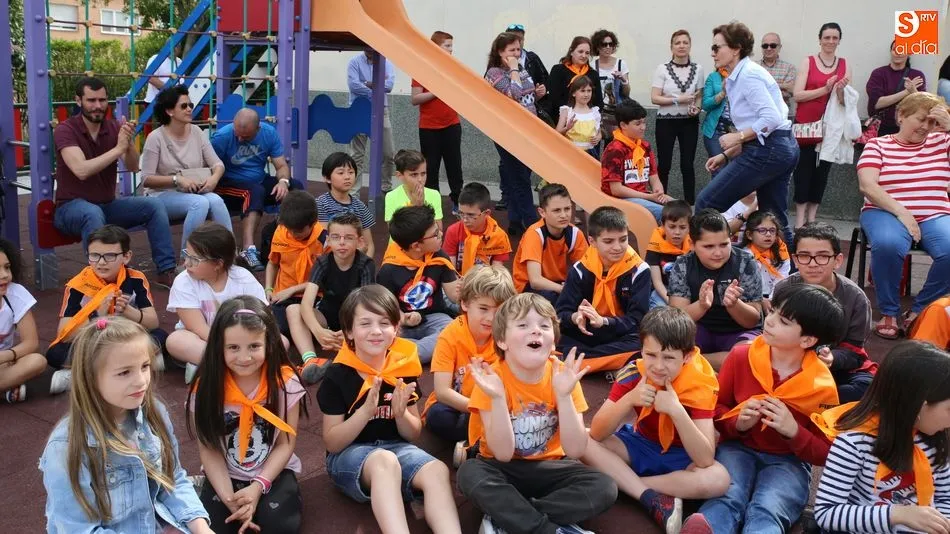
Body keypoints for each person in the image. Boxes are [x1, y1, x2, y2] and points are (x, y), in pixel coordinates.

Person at [680, 284, 845, 534]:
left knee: (769, 505)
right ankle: (709, 527)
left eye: (784, 321)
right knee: (727, 494)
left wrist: (793, 431)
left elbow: (826, 451)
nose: (770, 321)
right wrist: (738, 422)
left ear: (808, 340)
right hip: (737, 448)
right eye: (774, 311)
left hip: (789, 460)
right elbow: (712, 410)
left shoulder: (820, 385)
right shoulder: (741, 356)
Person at [457, 293, 618, 534]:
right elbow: (501, 454)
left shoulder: (563, 375)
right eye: (523, 325)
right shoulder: (493, 380)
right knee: (469, 473)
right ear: (501, 341)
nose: (536, 331)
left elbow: (575, 450)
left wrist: (564, 396)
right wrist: (498, 399)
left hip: (550, 468)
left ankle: (508, 521)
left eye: (544, 326)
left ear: (553, 342)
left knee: (604, 487)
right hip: (503, 468)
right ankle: (550, 530)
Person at [39, 317, 211, 534]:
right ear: (90, 377)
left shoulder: (154, 413)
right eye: (124, 372)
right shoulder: (66, 445)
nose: (141, 380)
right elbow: (76, 528)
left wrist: (201, 528)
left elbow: (173, 480)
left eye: (145, 366)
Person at [316, 285, 462, 534]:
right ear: (349, 331)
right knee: (385, 463)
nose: (376, 331)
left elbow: (413, 434)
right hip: (349, 455)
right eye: (365, 324)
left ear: (396, 328)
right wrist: (364, 413)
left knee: (437, 469)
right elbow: (332, 443)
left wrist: (401, 412)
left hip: (396, 448)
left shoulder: (403, 366)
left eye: (384, 323)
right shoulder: (337, 374)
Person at [582, 307, 730, 534]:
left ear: (688, 356)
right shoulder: (634, 372)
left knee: (718, 479)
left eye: (669, 357)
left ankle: (626, 483)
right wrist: (630, 399)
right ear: (641, 350)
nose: (658, 366)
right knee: (581, 439)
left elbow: (704, 458)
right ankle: (651, 497)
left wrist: (677, 411)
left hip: (681, 456)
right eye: (650, 355)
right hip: (640, 443)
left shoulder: (700, 383)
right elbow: (598, 433)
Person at [187, 297, 307, 534]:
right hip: (224, 474)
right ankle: (209, 488)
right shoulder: (206, 388)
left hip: (271, 473)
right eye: (233, 347)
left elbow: (285, 444)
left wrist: (256, 488)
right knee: (214, 527)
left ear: (270, 344)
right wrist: (229, 498)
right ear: (218, 347)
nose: (244, 357)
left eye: (254, 346)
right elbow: (209, 447)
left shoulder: (284, 384)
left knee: (279, 527)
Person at [813, 341, 950, 534]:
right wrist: (899, 514)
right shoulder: (855, 442)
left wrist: (943, 525)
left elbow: (945, 497)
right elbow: (827, 513)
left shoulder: (935, 439)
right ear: (919, 405)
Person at [53, 77, 176, 284]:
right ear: (78, 100)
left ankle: (166, 270)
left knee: (153, 205)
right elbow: (81, 170)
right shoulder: (66, 129)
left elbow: (133, 166)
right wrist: (117, 149)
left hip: (106, 206)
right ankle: (101, 279)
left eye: (102, 100)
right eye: (91, 100)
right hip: (70, 208)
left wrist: (127, 144)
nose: (98, 106)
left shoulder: (112, 127)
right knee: (92, 213)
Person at [857, 92, 950, 339]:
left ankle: (920, 310)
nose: (926, 127)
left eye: (932, 122)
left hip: (934, 213)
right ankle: (889, 312)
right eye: (921, 119)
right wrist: (903, 213)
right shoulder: (878, 144)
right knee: (888, 244)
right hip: (884, 211)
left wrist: (949, 127)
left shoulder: (943, 142)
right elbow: (868, 185)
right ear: (901, 115)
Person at [697, 22, 798, 247]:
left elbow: (771, 118)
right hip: (779, 146)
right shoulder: (739, 75)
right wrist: (726, 155)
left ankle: (712, 261)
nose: (712, 53)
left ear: (736, 49)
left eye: (717, 48)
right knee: (775, 217)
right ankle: (793, 274)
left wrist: (738, 137)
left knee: (706, 203)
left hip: (770, 148)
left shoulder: (748, 75)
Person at [47, 225, 167, 395]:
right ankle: (140, 364)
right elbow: (64, 333)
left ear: (126, 257)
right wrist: (97, 315)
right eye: (95, 256)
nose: (101, 262)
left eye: (110, 256)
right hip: (93, 342)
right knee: (55, 353)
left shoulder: (136, 279)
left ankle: (80, 377)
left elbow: (153, 322)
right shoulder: (78, 285)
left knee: (160, 337)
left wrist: (128, 312)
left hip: (125, 338)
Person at [776, 222, 874, 403]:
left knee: (868, 388)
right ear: (795, 259)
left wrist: (832, 358)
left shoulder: (855, 298)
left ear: (837, 260)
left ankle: (809, 400)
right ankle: (812, 400)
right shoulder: (784, 289)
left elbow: (854, 351)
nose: (813, 264)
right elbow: (772, 336)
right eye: (804, 256)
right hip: (790, 364)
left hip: (835, 367)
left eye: (822, 256)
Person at [422, 265, 515, 454]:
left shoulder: (507, 335)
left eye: (499, 310)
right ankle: (480, 444)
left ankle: (473, 447)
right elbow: (442, 392)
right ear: (464, 304)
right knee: (438, 416)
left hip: (497, 406)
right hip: (461, 408)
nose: (491, 317)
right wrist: (481, 409)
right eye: (483, 308)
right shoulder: (450, 336)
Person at [166, 223, 267, 383]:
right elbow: (198, 328)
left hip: (242, 339)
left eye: (194, 259)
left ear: (218, 264)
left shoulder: (243, 277)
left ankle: (212, 366)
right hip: (202, 339)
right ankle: (237, 366)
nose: (186, 264)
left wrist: (239, 344)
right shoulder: (183, 281)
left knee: (281, 341)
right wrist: (230, 347)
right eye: (187, 256)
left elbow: (262, 318)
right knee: (175, 341)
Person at [556, 206, 651, 373]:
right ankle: (600, 362)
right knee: (550, 332)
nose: (618, 247)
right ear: (592, 241)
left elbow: (637, 320)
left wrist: (604, 322)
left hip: (620, 334)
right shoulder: (581, 269)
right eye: (608, 241)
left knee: (644, 343)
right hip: (586, 332)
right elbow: (561, 314)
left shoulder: (639, 270)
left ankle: (571, 362)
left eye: (623, 239)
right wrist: (576, 317)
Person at [668, 209, 762, 370]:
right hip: (700, 329)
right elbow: (677, 318)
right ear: (691, 245)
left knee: (748, 354)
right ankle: (703, 363)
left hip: (738, 332)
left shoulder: (745, 262)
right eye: (709, 246)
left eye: (724, 244)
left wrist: (734, 304)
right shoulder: (683, 264)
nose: (718, 253)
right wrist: (702, 305)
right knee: (667, 345)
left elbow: (752, 320)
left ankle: (692, 361)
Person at [140, 86, 232, 250]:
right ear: (169, 111)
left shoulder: (196, 132)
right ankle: (187, 259)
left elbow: (217, 164)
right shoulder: (156, 138)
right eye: (184, 106)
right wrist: (177, 180)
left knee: (216, 201)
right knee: (199, 204)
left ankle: (230, 254)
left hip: (192, 191)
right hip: (162, 195)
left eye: (190, 105)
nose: (189, 109)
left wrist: (213, 179)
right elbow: (146, 179)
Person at [211, 108, 302, 271]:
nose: (239, 138)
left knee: (296, 188)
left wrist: (283, 182)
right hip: (227, 186)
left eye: (245, 137)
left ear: (258, 129)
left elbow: (281, 165)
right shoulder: (222, 137)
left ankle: (292, 240)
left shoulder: (268, 133)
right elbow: (210, 166)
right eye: (237, 133)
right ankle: (248, 250)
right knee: (255, 191)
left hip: (258, 181)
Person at [298, 213, 376, 384]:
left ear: (359, 241)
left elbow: (366, 306)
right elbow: (306, 304)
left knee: (370, 320)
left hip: (353, 320)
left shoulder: (365, 264)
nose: (341, 242)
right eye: (335, 237)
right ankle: (310, 359)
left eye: (348, 238)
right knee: (293, 310)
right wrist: (318, 332)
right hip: (327, 317)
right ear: (328, 240)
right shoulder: (323, 262)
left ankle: (351, 354)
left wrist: (351, 331)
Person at [377, 205, 460, 364]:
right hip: (400, 322)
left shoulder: (439, 257)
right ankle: (426, 351)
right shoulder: (389, 269)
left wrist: (468, 287)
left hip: (433, 316)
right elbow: (387, 309)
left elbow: (454, 295)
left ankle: (402, 354)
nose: (441, 234)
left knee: (451, 329)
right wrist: (404, 318)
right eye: (435, 234)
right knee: (382, 334)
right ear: (416, 246)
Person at [791, 23, 853, 229]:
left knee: (822, 174)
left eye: (835, 38)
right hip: (806, 125)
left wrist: (841, 91)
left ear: (839, 41)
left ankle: (812, 219)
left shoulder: (845, 65)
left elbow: (846, 103)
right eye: (827, 37)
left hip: (831, 129)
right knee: (803, 172)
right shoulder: (808, 62)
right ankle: (799, 222)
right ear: (820, 39)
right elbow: (797, 95)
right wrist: (824, 89)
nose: (830, 42)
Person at [485, 32, 542, 236]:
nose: (516, 54)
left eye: (518, 49)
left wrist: (536, 91)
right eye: (512, 50)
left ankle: (516, 221)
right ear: (500, 52)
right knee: (519, 177)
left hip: (527, 130)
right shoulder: (493, 73)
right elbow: (515, 94)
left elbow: (529, 93)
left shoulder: (522, 69)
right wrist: (515, 70)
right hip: (508, 132)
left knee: (520, 174)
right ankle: (531, 221)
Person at [264, 190, 326, 345]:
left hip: (314, 295)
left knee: (301, 325)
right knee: (276, 327)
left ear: (313, 223)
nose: (293, 234)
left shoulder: (324, 239)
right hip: (283, 296)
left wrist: (292, 290)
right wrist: (268, 289)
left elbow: (326, 279)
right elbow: (273, 263)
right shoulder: (281, 232)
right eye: (289, 229)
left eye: (298, 231)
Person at [412, 31, 464, 211]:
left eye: (451, 46)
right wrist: (436, 91)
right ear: (435, 47)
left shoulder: (453, 67)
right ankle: (432, 205)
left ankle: (458, 201)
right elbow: (415, 98)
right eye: (447, 46)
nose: (451, 50)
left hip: (452, 124)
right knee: (431, 168)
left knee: (454, 165)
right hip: (429, 128)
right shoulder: (421, 68)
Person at [513, 183, 589, 305]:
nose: (564, 215)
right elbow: (535, 281)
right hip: (528, 290)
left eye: (567, 209)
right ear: (542, 212)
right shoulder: (535, 234)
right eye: (557, 210)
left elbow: (587, 271)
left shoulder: (575, 233)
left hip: (558, 284)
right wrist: (566, 289)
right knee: (554, 300)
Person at [651, 30, 703, 204]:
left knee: (687, 164)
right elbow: (655, 97)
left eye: (685, 42)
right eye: (677, 43)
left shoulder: (698, 69)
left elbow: (699, 96)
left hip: (689, 121)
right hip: (666, 121)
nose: (681, 46)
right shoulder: (662, 68)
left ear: (690, 45)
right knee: (664, 163)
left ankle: (690, 205)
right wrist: (677, 100)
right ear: (671, 46)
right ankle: (660, 202)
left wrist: (697, 108)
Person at [601, 99, 674, 223]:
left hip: (644, 195)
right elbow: (616, 189)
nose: (643, 127)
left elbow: (654, 177)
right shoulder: (614, 149)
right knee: (667, 214)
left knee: (682, 209)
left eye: (644, 122)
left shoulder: (644, 146)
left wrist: (658, 191)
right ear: (623, 125)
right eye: (638, 124)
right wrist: (649, 197)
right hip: (622, 199)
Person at [0, 239, 45, 403]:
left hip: (4, 363)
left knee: (37, 361)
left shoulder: (15, 294)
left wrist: (6, 356)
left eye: (6, 267)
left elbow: (31, 343)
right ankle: (8, 387)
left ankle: (7, 384)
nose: (5, 275)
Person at [346, 49, 396, 193]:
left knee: (388, 153)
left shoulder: (387, 62)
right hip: (358, 109)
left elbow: (390, 85)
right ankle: (353, 192)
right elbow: (353, 85)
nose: (370, 52)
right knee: (356, 154)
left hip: (381, 109)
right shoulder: (354, 62)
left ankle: (385, 187)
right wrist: (377, 87)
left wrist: (368, 84)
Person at [442, 182, 511, 276]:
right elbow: (450, 271)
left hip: (483, 284)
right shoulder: (453, 231)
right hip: (458, 282)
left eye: (471, 215)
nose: (465, 220)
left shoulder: (499, 236)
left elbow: (496, 272)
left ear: (486, 213)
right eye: (461, 213)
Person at [315, 152, 375, 259]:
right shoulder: (321, 204)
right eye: (341, 173)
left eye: (351, 172)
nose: (347, 177)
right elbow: (324, 240)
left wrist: (365, 264)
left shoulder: (360, 207)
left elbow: (369, 245)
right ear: (327, 178)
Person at [866, 40, 927, 137]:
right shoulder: (878, 73)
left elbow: (923, 106)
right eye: (895, 49)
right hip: (882, 129)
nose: (898, 53)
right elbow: (877, 104)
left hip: (907, 129)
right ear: (891, 52)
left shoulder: (917, 75)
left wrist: (914, 91)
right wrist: (907, 92)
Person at [545, 37, 605, 126]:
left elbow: (598, 102)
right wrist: (570, 115)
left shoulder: (593, 74)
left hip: (587, 121)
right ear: (572, 51)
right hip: (561, 120)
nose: (584, 55)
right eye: (580, 52)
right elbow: (554, 99)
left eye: (587, 53)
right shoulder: (558, 70)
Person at [646, 200, 692, 309]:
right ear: (663, 225)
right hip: (663, 290)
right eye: (672, 226)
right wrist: (672, 303)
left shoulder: (692, 246)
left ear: (689, 227)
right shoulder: (655, 247)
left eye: (682, 227)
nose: (677, 232)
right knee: (661, 309)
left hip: (686, 289)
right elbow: (657, 282)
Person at [738, 210, 790, 305]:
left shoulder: (782, 254)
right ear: (749, 235)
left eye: (772, 230)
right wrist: (760, 300)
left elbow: (781, 282)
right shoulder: (743, 255)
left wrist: (771, 301)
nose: (768, 234)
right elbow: (744, 285)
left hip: (774, 298)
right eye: (762, 230)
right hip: (748, 300)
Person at [384, 149, 443, 228]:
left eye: (423, 173)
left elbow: (438, 230)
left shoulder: (434, 195)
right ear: (399, 175)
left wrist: (421, 207)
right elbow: (394, 232)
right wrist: (416, 207)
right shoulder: (391, 197)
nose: (420, 179)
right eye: (414, 175)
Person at [591, 29, 630, 142]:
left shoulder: (621, 64)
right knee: (594, 143)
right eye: (604, 44)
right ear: (597, 47)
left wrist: (623, 80)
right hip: (598, 112)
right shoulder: (593, 66)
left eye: (611, 44)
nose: (608, 47)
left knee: (614, 146)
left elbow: (627, 93)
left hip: (616, 113)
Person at [556, 75, 603, 158]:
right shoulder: (567, 111)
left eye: (589, 91)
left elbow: (598, 132)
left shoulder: (594, 112)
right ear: (574, 93)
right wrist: (567, 128)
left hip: (590, 154)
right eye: (582, 91)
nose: (586, 94)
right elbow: (556, 133)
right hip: (571, 153)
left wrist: (598, 138)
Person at [505, 24, 549, 109]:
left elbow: (546, 79)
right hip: (509, 107)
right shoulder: (500, 62)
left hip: (532, 107)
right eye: (513, 39)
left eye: (520, 39)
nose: (517, 42)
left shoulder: (532, 57)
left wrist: (542, 88)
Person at [700, 65, 733, 165]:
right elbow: (705, 105)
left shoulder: (744, 75)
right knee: (719, 169)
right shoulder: (714, 77)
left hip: (738, 131)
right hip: (716, 130)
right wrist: (722, 93)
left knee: (738, 172)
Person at [756, 33, 796, 109]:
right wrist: (782, 86)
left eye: (773, 45)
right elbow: (749, 90)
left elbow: (789, 93)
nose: (768, 48)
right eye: (765, 46)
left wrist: (762, 86)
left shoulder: (789, 68)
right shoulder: (753, 67)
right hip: (756, 114)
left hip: (781, 114)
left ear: (779, 47)